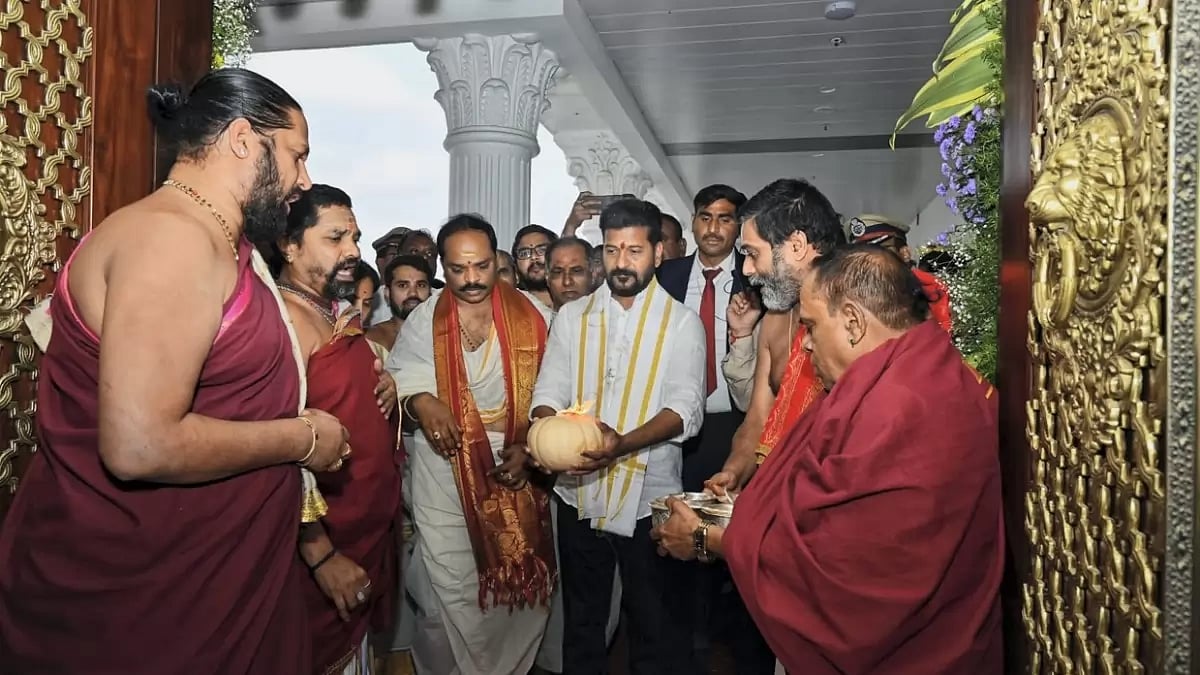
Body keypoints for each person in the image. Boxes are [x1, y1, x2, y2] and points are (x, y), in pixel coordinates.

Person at [0, 68, 351, 673]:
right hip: (150, 605)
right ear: (245, 139)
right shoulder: (172, 240)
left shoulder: (213, 239)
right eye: (296, 156)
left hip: (217, 580)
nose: (303, 180)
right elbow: (140, 445)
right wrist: (304, 437)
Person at [655, 245, 1004, 674]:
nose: (804, 346)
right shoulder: (923, 370)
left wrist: (707, 538)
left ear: (854, 323)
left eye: (811, 327)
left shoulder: (898, 408)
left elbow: (843, 576)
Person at [530, 198, 705, 675]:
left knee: (653, 622)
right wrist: (547, 436)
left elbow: (685, 411)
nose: (621, 263)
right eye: (611, 251)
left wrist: (621, 446)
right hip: (577, 490)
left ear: (657, 253)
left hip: (650, 495)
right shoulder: (573, 317)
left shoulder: (683, 323)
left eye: (634, 251)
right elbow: (548, 390)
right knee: (582, 623)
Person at [387, 214, 556, 675]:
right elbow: (402, 375)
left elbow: (557, 391)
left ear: (496, 261)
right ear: (442, 265)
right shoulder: (426, 320)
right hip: (446, 468)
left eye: (481, 266)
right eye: (458, 269)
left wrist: (531, 447)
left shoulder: (535, 317)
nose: (472, 279)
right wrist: (423, 400)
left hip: (518, 465)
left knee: (519, 593)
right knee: (453, 586)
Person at [267, 184, 403, 675]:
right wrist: (320, 556)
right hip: (320, 550)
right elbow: (274, 450)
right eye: (336, 238)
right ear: (289, 243)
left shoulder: (335, 313)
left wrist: (383, 385)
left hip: (366, 534)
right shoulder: (280, 320)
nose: (353, 251)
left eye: (355, 237)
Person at [707, 178, 844, 494]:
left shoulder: (853, 319)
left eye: (753, 254)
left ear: (796, 246)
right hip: (774, 499)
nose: (747, 270)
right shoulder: (775, 320)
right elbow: (756, 420)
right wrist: (732, 472)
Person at [848, 214, 952, 332]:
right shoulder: (853, 313)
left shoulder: (938, 293)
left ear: (905, 253)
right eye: (861, 258)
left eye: (882, 251)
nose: (871, 262)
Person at [366, 254, 434, 353]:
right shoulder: (371, 339)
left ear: (430, 292)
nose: (413, 293)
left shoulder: (447, 337)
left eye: (421, 285)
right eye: (403, 285)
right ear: (387, 294)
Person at [513, 224, 558, 311]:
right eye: (524, 253)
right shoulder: (510, 307)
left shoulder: (577, 301)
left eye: (542, 250)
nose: (533, 257)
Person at [545, 237, 593, 310]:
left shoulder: (611, 319)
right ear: (547, 277)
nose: (567, 282)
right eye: (558, 272)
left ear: (592, 273)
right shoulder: (534, 320)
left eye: (576, 271)